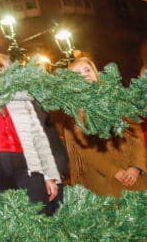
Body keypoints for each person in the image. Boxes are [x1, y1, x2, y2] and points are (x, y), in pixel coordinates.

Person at [0, 51, 60, 214]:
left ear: (3, 69)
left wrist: (50, 174)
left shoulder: (20, 97)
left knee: (40, 217)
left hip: (27, 165)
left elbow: (39, 137)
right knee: (2, 222)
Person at [57, 56, 147, 196]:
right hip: (104, 180)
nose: (85, 74)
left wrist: (136, 167)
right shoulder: (73, 113)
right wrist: (114, 171)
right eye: (78, 73)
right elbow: (86, 150)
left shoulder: (117, 99)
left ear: (95, 72)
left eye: (87, 70)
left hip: (135, 176)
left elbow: (136, 134)